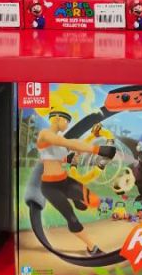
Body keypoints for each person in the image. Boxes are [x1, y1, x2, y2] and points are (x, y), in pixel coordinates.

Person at [36, 107, 116, 255]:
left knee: (94, 201)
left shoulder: (57, 142)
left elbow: (58, 157)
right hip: (50, 188)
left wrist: (73, 158)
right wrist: (99, 150)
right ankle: (92, 248)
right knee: (72, 218)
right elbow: (69, 143)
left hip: (65, 181)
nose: (67, 125)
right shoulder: (45, 134)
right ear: (57, 118)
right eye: (67, 121)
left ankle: (75, 198)